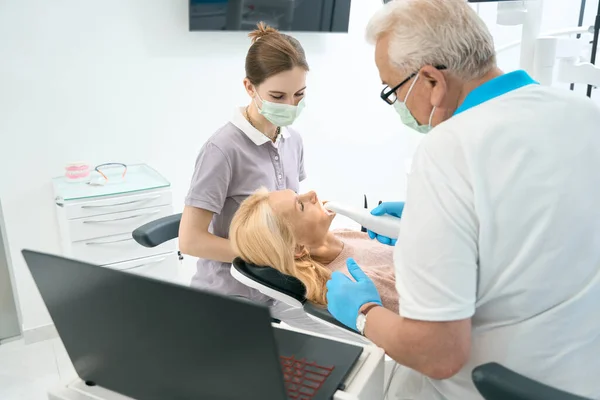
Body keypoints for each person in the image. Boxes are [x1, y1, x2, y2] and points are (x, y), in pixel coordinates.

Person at [325, 0, 600, 399]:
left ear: (432, 80)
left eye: (394, 91)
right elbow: (545, 228)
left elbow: (437, 353)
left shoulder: (449, 149)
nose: (399, 106)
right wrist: (435, 223)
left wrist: (365, 315)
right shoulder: (586, 113)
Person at [179, 22, 309, 312]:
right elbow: (189, 240)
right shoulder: (222, 150)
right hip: (227, 296)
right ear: (250, 87)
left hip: (276, 291)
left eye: (299, 94)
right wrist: (265, 254)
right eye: (278, 97)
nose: (290, 105)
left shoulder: (293, 140)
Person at [228, 187, 399, 313]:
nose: (312, 193)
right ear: (297, 248)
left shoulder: (342, 236)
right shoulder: (356, 280)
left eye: (298, 194)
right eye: (301, 206)